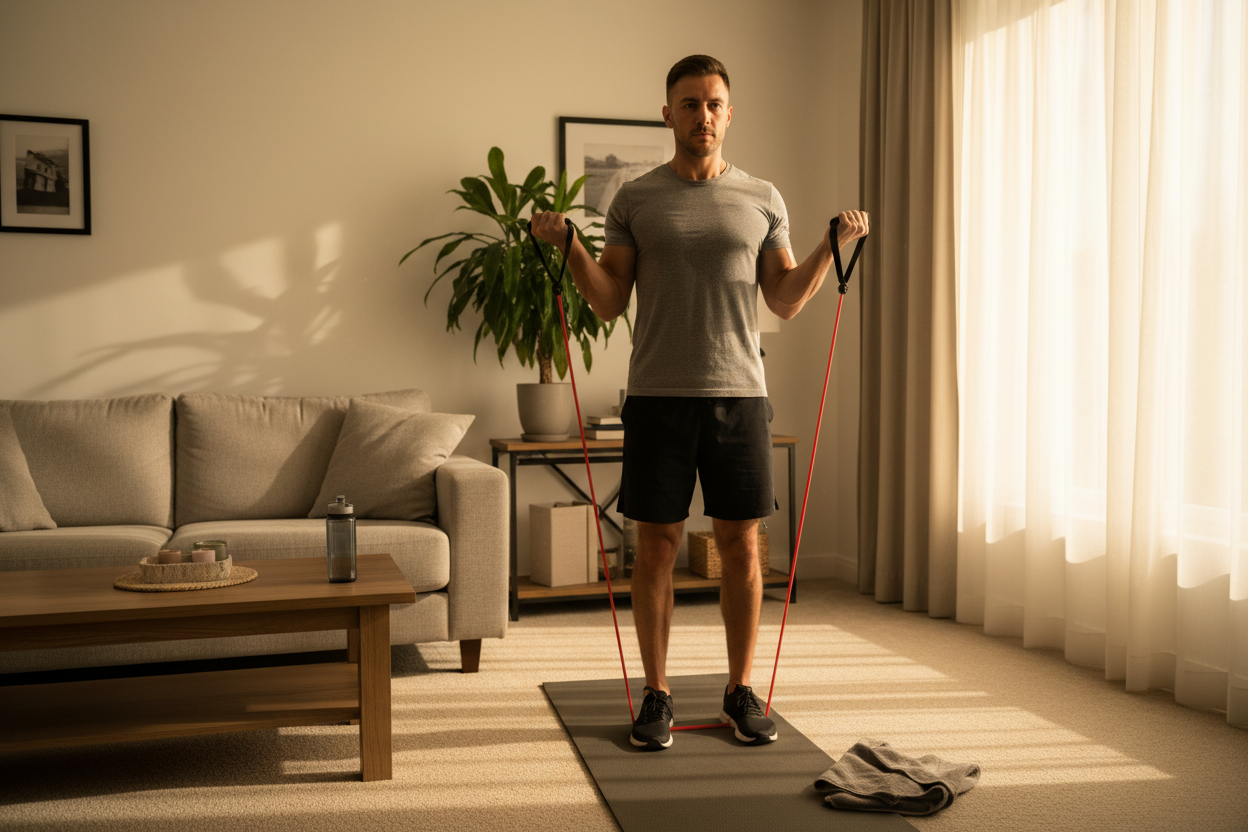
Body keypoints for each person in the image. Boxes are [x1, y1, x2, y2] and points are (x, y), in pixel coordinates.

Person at [530, 54, 869, 751]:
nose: (702, 115)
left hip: (739, 394)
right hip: (657, 396)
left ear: (729, 113)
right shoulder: (635, 199)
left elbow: (784, 298)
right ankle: (656, 693)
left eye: (714, 104)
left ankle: (740, 689)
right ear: (668, 114)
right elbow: (608, 299)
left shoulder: (762, 197)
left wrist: (829, 246)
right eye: (689, 104)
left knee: (741, 545)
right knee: (655, 546)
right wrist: (569, 248)